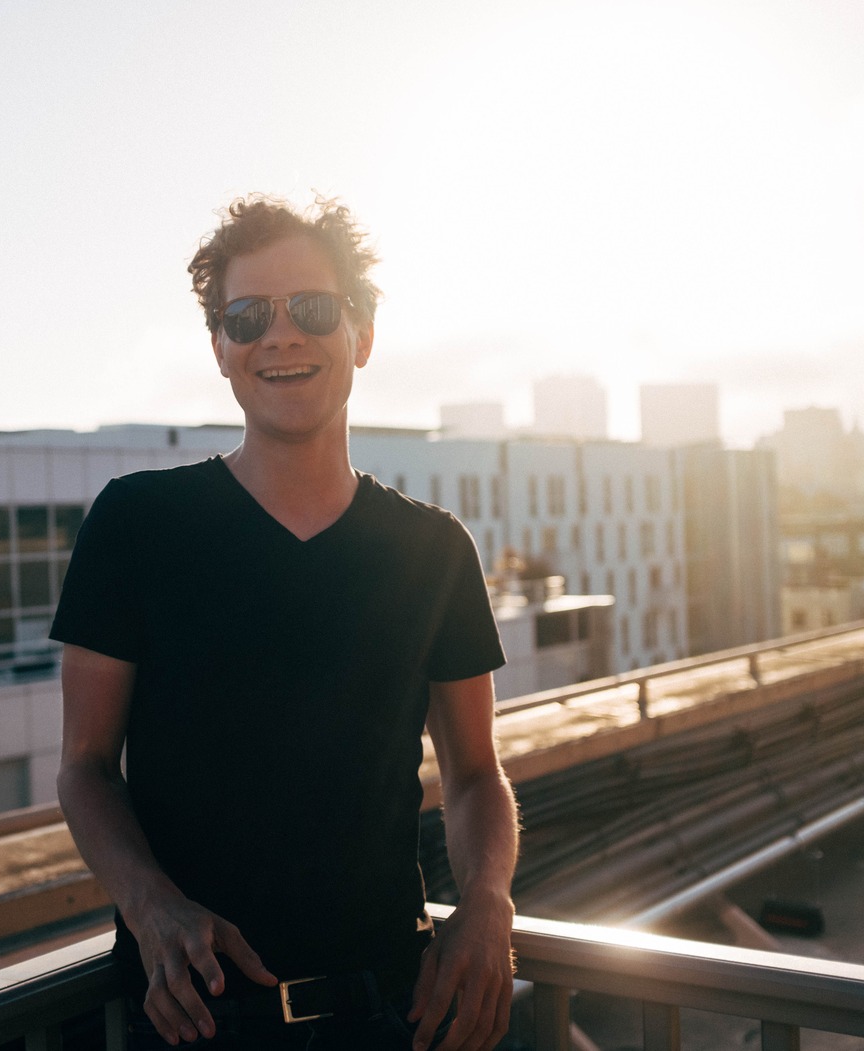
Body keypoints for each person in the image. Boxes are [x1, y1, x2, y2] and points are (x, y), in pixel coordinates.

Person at [52, 195, 519, 1051]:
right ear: (222, 350)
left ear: (362, 334)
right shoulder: (134, 525)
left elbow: (476, 776)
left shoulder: (434, 549)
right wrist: (152, 907)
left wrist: (488, 903)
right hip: (199, 1021)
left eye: (312, 308)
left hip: (393, 1018)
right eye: (247, 316)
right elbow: (85, 768)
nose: (281, 336)